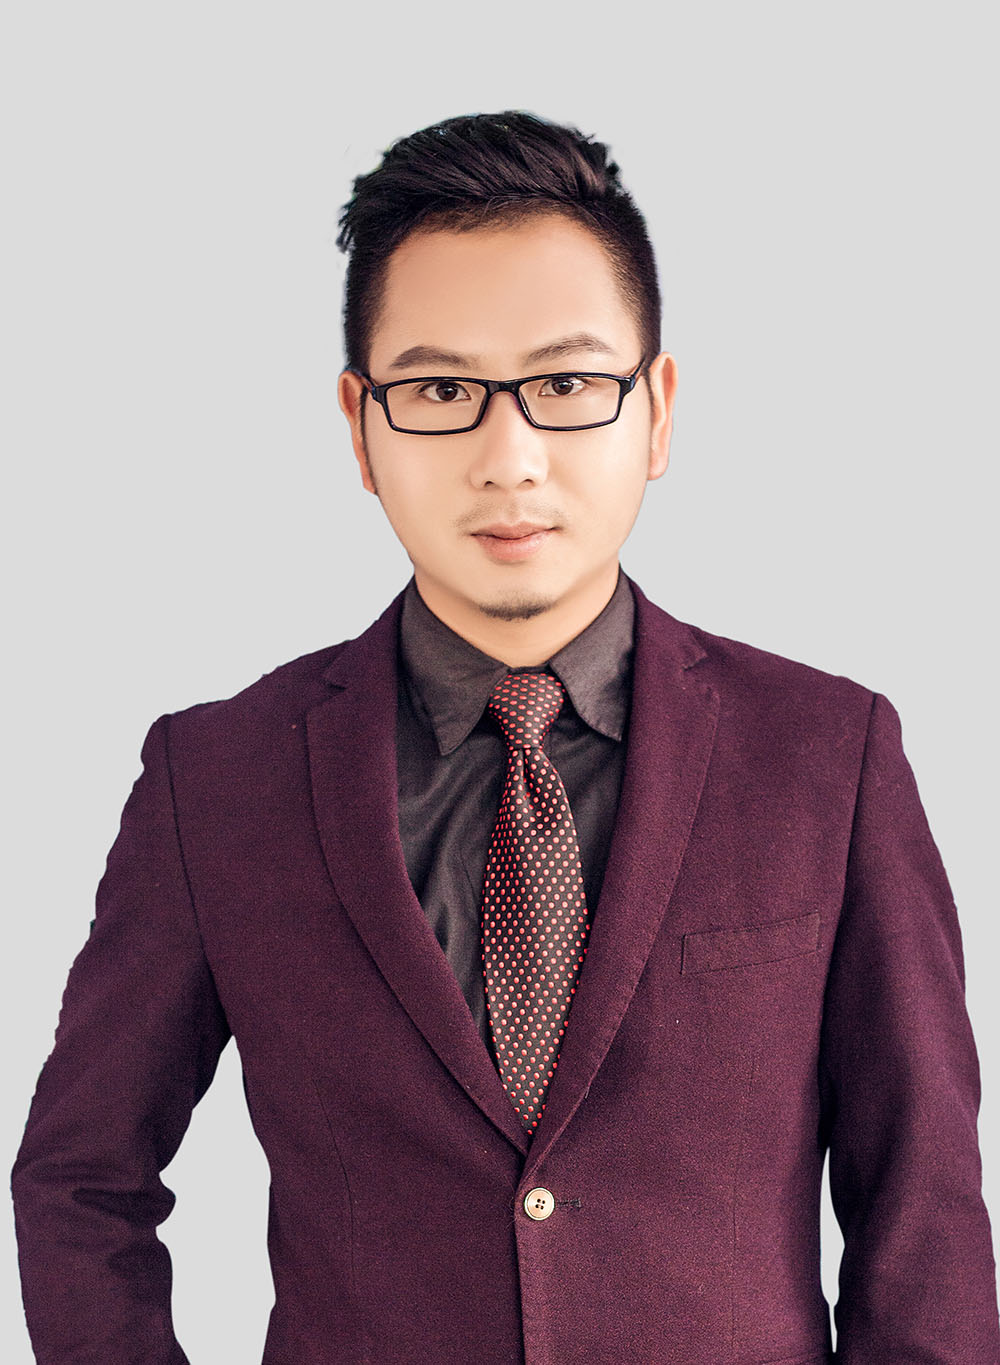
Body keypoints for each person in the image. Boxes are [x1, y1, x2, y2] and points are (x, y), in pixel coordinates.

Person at [10, 109, 998, 1365]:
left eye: (568, 385)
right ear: (359, 426)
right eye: (440, 391)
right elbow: (81, 1179)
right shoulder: (215, 781)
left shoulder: (826, 756)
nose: (509, 456)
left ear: (658, 410)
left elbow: (923, 1210)